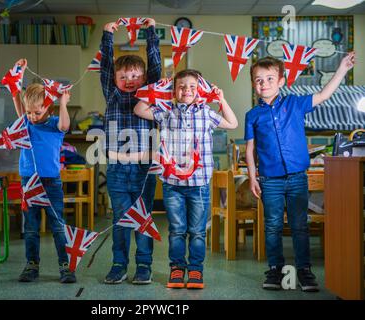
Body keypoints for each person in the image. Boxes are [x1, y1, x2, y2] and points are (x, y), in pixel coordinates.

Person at [244, 53, 355, 292]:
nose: (264, 84)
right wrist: (253, 177)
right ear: (253, 83)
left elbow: (325, 94)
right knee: (272, 225)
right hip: (269, 180)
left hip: (297, 178)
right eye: (258, 80)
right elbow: (250, 150)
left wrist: (342, 69)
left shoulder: (294, 104)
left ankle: (304, 271)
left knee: (299, 225)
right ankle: (275, 270)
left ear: (281, 81)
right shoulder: (252, 115)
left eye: (269, 79)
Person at [134, 69, 238, 289]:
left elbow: (232, 123)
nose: (187, 90)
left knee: (198, 231)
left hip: (199, 183)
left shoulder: (207, 113)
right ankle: (177, 268)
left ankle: (196, 271)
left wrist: (221, 99)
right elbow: (139, 108)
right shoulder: (166, 110)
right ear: (174, 90)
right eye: (181, 86)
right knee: (177, 229)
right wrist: (157, 89)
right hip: (173, 184)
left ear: (199, 89)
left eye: (192, 86)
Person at [100, 18, 162, 285]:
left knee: (143, 217)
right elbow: (104, 66)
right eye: (123, 76)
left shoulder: (150, 95)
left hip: (143, 169)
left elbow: (156, 67)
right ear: (114, 79)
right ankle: (118, 264)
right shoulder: (112, 95)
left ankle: (144, 265)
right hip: (116, 169)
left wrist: (151, 33)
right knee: (121, 219)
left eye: (135, 76)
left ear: (144, 78)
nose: (129, 80)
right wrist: (107, 37)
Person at [10, 58, 74, 284]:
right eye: (29, 112)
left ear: (48, 108)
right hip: (29, 181)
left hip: (51, 182)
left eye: (36, 112)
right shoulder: (26, 123)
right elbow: (18, 100)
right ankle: (32, 265)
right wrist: (19, 73)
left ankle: (65, 266)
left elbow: (66, 126)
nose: (31, 117)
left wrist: (64, 102)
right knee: (31, 227)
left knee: (57, 226)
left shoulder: (54, 124)